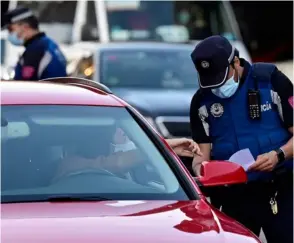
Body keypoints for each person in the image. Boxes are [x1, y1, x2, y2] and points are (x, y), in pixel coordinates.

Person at [189, 35, 293, 243]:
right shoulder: (201, 101)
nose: (216, 86)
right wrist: (202, 170)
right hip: (234, 197)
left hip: (280, 189)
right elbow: (201, 156)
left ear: (235, 62)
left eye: (221, 76)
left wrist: (278, 155)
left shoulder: (270, 81)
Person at [2, 7, 67, 80]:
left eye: (11, 29)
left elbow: (24, 85)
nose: (9, 34)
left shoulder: (36, 50)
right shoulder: (48, 43)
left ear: (25, 27)